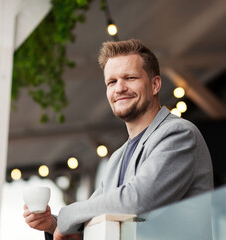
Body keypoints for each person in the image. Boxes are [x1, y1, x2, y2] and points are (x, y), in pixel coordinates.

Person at [23, 39, 213, 240]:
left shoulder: (178, 134)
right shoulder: (117, 157)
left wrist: (66, 216)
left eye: (130, 78)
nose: (119, 88)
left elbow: (136, 201)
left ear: (155, 84)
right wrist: (53, 224)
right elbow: (96, 216)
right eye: (112, 82)